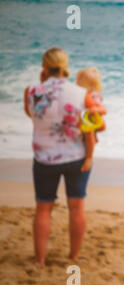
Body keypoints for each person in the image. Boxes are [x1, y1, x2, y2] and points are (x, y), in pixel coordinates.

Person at [24, 47, 106, 265]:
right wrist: (89, 156)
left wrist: (41, 82)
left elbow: (31, 114)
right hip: (76, 158)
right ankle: (74, 256)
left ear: (44, 67)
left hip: (44, 158)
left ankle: (40, 259)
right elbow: (89, 129)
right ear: (65, 65)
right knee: (76, 208)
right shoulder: (81, 94)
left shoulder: (31, 91)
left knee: (43, 208)